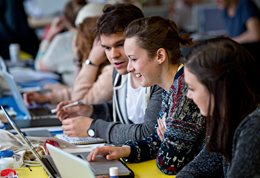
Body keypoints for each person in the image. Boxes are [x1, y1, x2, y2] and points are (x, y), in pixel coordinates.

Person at [87, 16, 206, 175]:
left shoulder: (184, 91)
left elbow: (168, 163)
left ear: (160, 56)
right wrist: (124, 150)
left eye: (134, 59)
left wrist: (166, 139)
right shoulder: (170, 87)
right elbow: (156, 140)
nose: (129, 68)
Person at [56, 3, 163, 145]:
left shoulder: (157, 76)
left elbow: (148, 133)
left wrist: (93, 128)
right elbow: (124, 113)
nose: (113, 55)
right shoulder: (119, 73)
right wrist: (91, 111)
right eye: (106, 48)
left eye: (120, 45)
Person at [175, 37, 260, 177]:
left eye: (192, 88)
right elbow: (199, 167)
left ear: (218, 89)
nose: (188, 96)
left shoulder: (254, 128)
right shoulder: (228, 120)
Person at [23, 3, 113, 106]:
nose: (75, 42)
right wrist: (48, 97)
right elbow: (84, 91)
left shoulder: (110, 71)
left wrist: (91, 62)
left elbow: (79, 100)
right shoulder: (102, 65)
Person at [34, 0, 86, 86]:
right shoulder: (99, 38)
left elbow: (39, 66)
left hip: (71, 90)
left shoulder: (62, 40)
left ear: (65, 19)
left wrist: (49, 36)